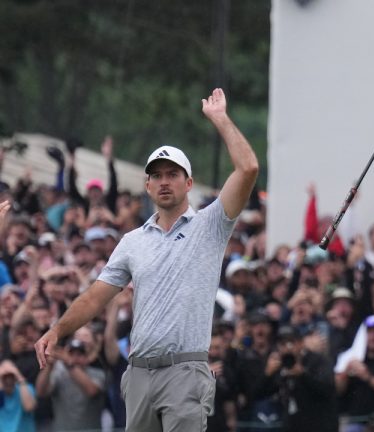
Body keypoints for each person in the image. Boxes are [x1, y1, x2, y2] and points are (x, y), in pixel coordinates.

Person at [34, 88, 260, 431]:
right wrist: (58, 330)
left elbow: (248, 168)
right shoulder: (132, 241)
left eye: (172, 174)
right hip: (138, 373)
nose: (164, 181)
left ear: (189, 183)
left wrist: (220, 119)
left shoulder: (210, 224)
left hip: (185, 371)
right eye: (157, 175)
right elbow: (96, 296)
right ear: (148, 185)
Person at [260, 325, 338, 432]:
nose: (287, 347)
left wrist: (302, 375)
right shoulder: (281, 365)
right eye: (282, 344)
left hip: (320, 425)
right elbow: (259, 395)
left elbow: (327, 389)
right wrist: (267, 374)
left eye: (291, 342)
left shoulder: (318, 361)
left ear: (301, 343)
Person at [35, 331, 106, 432]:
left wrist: (68, 362)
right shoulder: (59, 372)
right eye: (71, 354)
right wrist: (49, 366)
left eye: (80, 354)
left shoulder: (97, 374)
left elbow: (91, 391)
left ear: (87, 357)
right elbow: (41, 392)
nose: (75, 358)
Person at [0, 359, 37, 432]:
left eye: (10, 375)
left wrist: (18, 376)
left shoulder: (25, 388)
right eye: (5, 376)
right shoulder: (1, 393)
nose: (8, 380)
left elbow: (29, 407)